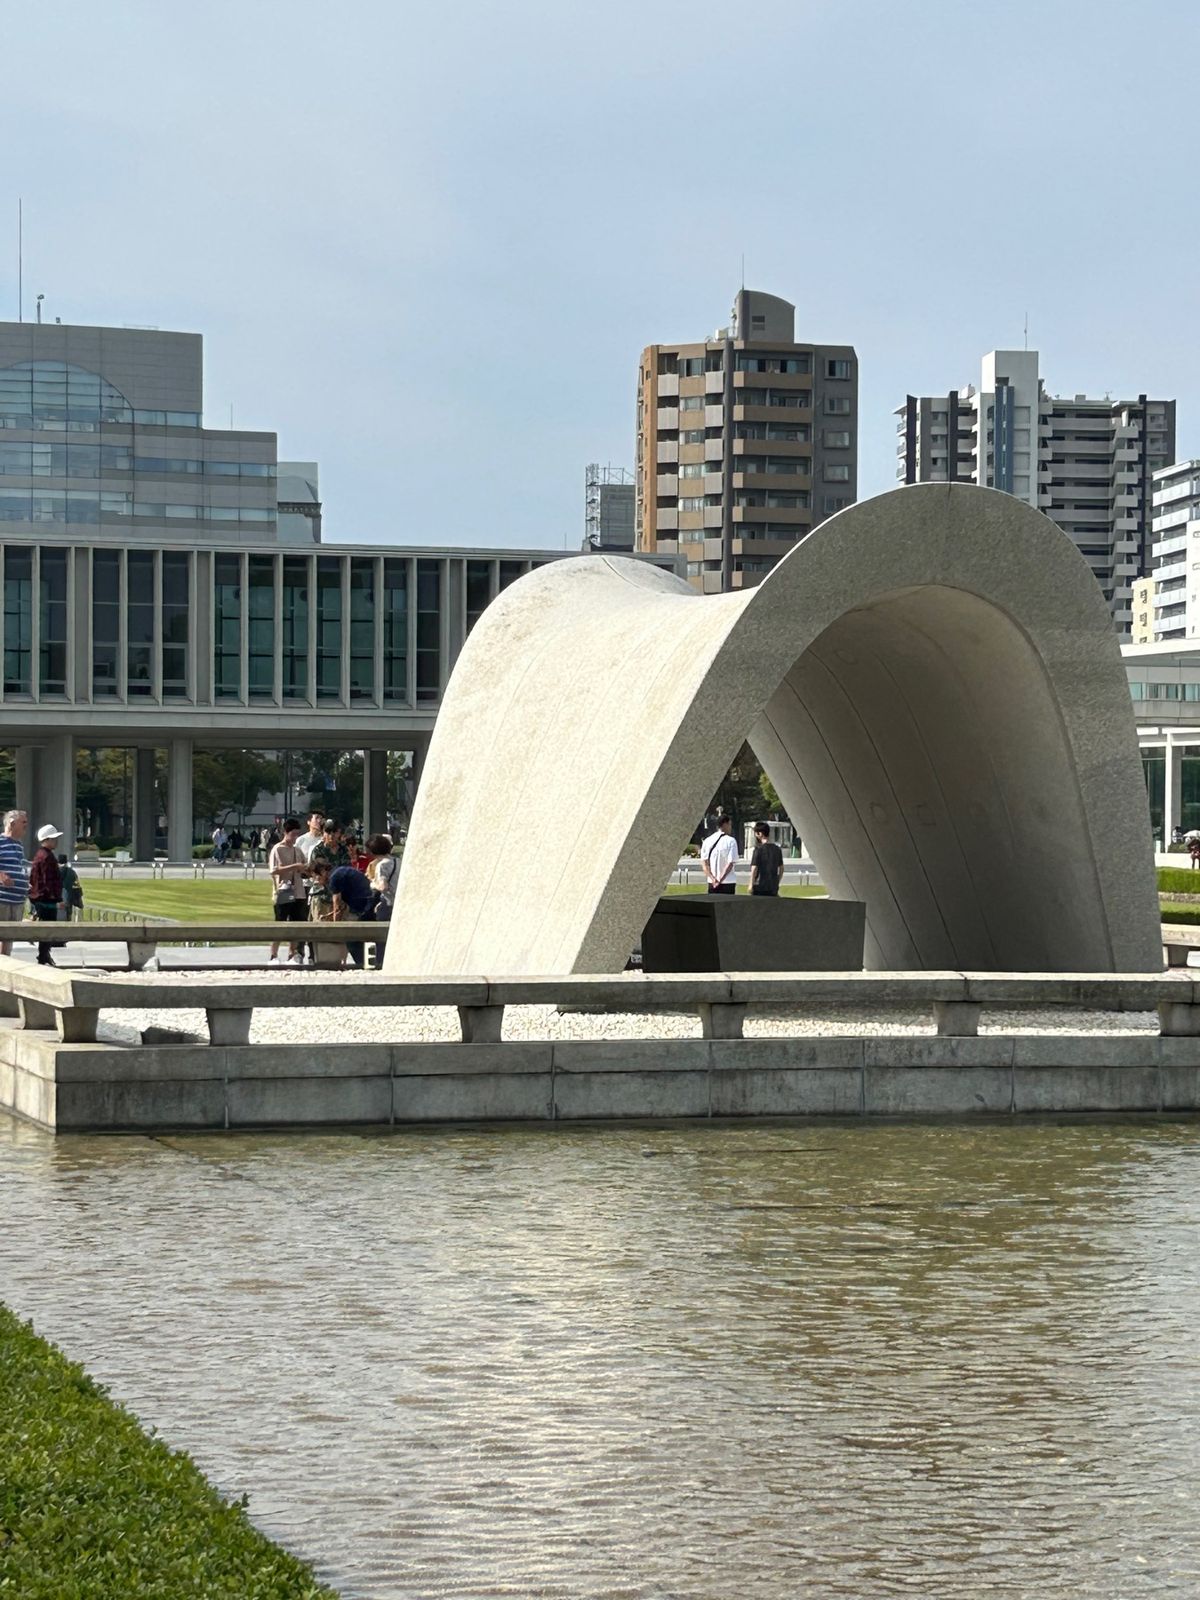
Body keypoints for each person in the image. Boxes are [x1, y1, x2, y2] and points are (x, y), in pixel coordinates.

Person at [267, 818, 308, 965]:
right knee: (280, 923)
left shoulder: (298, 850)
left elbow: (304, 866)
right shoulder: (278, 849)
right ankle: (273, 955)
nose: (295, 837)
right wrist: (293, 866)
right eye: (293, 834)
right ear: (286, 832)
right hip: (283, 890)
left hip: (298, 891)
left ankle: (293, 953)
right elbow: (273, 870)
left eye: (297, 834)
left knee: (297, 924)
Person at [28, 824, 64, 966]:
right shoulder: (47, 857)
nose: (56, 841)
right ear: (47, 839)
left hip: (39, 897)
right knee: (48, 930)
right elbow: (48, 881)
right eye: (54, 839)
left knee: (45, 928)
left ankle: (44, 955)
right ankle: (43, 956)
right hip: (46, 899)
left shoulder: (39, 855)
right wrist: (58, 899)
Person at [327, 859, 374, 968]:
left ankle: (362, 964)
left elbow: (337, 905)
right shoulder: (342, 871)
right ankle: (372, 962)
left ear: (323, 872)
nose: (317, 881)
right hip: (370, 901)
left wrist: (335, 926)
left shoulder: (334, 878)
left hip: (362, 906)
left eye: (316, 877)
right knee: (369, 937)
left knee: (351, 938)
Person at [0, 809, 30, 957]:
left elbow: (19, 866)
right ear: (12, 824)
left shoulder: (18, 845)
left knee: (9, 937)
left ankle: (5, 965)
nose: (26, 825)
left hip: (17, 900)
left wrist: (25, 882)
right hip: (3, 899)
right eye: (23, 822)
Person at [701, 813, 738, 895]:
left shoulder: (707, 841)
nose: (730, 828)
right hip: (728, 881)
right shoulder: (731, 841)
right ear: (725, 824)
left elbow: (704, 863)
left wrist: (712, 878)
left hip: (712, 882)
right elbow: (730, 863)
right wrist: (720, 880)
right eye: (729, 825)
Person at [365, 833, 398, 920]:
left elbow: (383, 887)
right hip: (399, 902)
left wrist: (372, 884)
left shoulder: (382, 865)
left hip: (388, 904)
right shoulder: (398, 861)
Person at [749, 822, 784, 897]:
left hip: (759, 886)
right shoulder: (777, 849)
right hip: (773, 886)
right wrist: (777, 881)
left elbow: (754, 868)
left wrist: (751, 884)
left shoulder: (758, 850)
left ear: (760, 834)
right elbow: (781, 868)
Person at [57, 852, 83, 921]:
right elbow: (77, 888)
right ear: (66, 862)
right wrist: (78, 901)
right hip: (68, 900)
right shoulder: (72, 873)